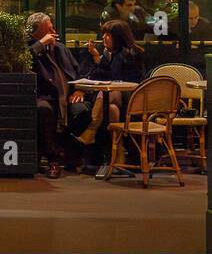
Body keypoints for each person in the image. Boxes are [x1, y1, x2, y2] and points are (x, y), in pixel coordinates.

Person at [79, 18, 144, 177]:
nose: (103, 38)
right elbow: (101, 76)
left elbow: (120, 79)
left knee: (109, 93)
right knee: (111, 110)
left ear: (119, 37)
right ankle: (117, 156)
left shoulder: (131, 54)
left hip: (132, 97)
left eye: (108, 35)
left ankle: (92, 128)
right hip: (115, 102)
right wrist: (98, 59)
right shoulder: (110, 54)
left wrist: (105, 60)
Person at [26, 12, 88, 178]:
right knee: (44, 110)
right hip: (43, 96)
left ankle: (73, 155)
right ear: (35, 33)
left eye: (52, 27)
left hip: (68, 96)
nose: (53, 31)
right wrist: (40, 44)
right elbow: (23, 61)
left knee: (82, 111)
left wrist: (79, 90)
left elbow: (78, 72)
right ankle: (54, 160)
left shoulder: (60, 48)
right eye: (49, 29)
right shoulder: (29, 48)